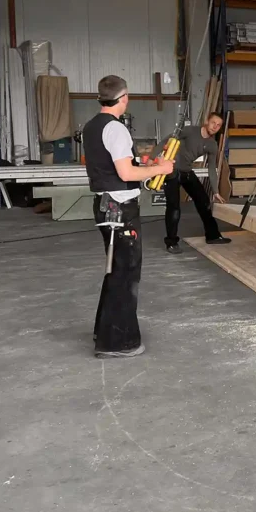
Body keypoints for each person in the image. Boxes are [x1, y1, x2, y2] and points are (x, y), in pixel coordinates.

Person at [83, 75, 174, 359]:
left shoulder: (92, 126)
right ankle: (117, 343)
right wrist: (160, 170)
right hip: (120, 209)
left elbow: (118, 164)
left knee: (116, 270)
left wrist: (145, 164)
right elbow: (125, 173)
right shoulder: (116, 128)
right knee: (126, 274)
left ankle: (104, 330)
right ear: (124, 98)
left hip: (105, 205)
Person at [161, 112, 231, 254]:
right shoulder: (190, 131)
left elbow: (212, 168)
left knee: (204, 201)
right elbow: (167, 140)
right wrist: (152, 159)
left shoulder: (212, 144)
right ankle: (171, 243)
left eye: (218, 125)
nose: (215, 127)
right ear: (207, 121)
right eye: (213, 123)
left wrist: (215, 191)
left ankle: (213, 236)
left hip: (186, 172)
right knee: (174, 208)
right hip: (171, 171)